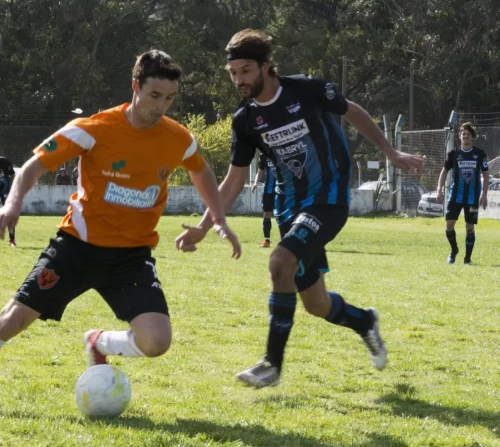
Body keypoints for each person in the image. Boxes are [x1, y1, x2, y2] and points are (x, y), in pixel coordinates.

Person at [0, 50, 241, 410]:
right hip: (77, 248)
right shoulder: (94, 129)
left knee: (157, 342)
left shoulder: (177, 137)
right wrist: (11, 205)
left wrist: (212, 221)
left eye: (169, 98)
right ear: (135, 87)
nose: (160, 106)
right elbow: (32, 167)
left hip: (131, 257)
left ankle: (99, 342)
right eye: (154, 96)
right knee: (15, 319)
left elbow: (202, 172)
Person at [176, 29, 424, 388]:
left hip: (328, 199)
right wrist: (205, 224)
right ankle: (364, 322)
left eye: (245, 71)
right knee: (316, 303)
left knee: (280, 262)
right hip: (289, 209)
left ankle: (271, 365)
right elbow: (233, 179)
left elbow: (351, 111)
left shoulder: (305, 89)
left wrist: (390, 152)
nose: (238, 80)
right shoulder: (244, 119)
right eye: (232, 74)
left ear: (265, 66)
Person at [435, 122, 489, 265]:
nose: (465, 136)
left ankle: (467, 259)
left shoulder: (480, 154)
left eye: (468, 134)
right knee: (449, 224)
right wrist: (439, 189)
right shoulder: (453, 154)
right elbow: (444, 170)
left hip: (472, 197)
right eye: (463, 134)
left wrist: (484, 195)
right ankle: (454, 250)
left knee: (469, 227)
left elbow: (486, 175)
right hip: (455, 195)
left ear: (472, 138)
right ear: (459, 136)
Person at [251, 153, 277, 247]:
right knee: (266, 213)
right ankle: (267, 241)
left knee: (285, 213)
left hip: (283, 189)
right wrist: (255, 183)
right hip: (268, 189)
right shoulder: (264, 154)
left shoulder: (283, 149)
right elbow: (260, 170)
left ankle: (287, 241)